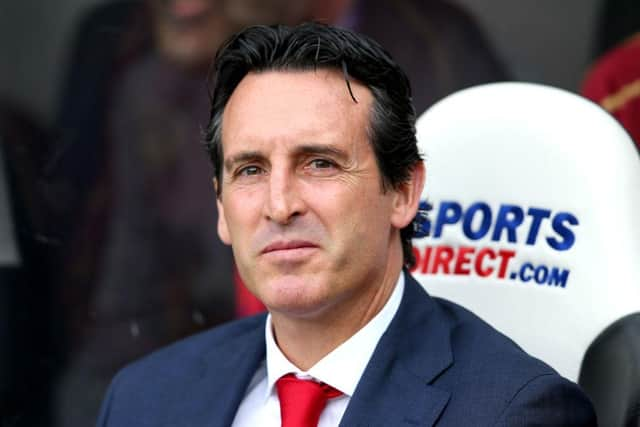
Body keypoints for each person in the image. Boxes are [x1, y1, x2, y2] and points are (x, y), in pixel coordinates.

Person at [95, 22, 596, 426]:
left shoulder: (515, 412)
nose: (279, 204)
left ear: (403, 191)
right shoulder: (143, 398)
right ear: (222, 210)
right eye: (250, 170)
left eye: (320, 163)